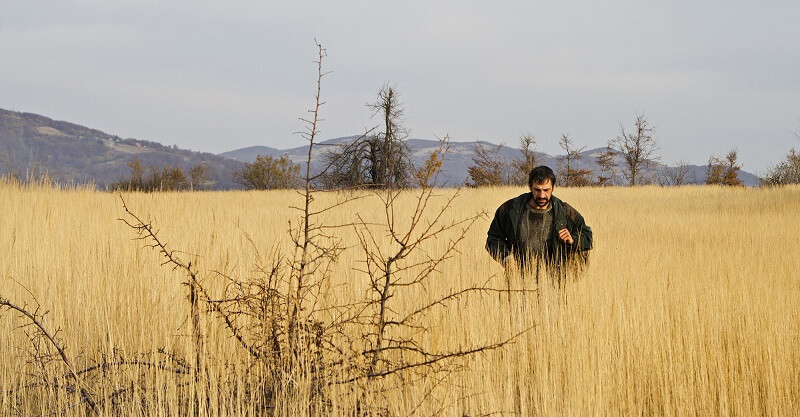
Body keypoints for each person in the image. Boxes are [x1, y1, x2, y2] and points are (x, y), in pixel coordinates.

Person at [486, 166, 592, 280]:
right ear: (530, 187)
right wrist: (506, 257)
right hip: (518, 280)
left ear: (553, 188)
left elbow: (587, 237)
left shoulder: (565, 212)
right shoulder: (509, 210)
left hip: (554, 280)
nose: (542, 195)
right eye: (537, 190)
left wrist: (573, 240)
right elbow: (493, 239)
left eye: (546, 190)